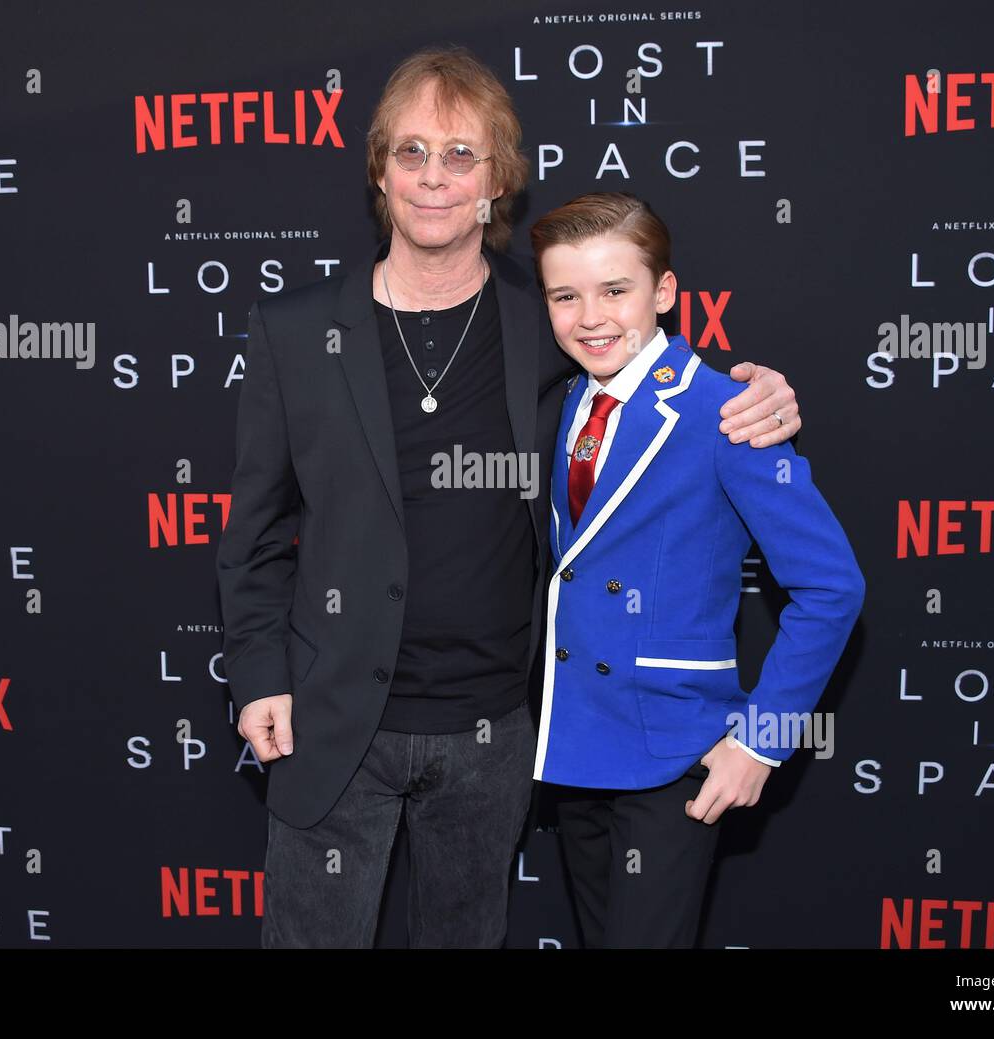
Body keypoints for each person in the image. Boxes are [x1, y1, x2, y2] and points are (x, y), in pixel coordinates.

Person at [215, 45, 804, 949]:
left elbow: (659, 384)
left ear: (499, 180)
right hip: (331, 725)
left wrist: (762, 396)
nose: (434, 179)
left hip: (496, 732)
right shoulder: (295, 334)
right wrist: (259, 674)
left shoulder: (555, 325)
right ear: (379, 169)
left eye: (462, 156)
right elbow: (252, 530)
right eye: (411, 152)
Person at [528, 190, 865, 948]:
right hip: (572, 750)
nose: (591, 317)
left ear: (667, 293)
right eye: (565, 296)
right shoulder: (557, 407)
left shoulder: (728, 413)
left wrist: (761, 740)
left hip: (675, 754)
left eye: (616, 290)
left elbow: (833, 586)